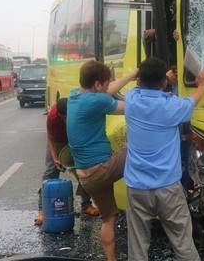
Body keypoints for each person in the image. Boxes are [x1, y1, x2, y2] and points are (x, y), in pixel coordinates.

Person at [124, 57, 204, 261]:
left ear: (138, 81)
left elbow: (141, 85)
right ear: (164, 83)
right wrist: (203, 83)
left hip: (137, 187)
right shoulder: (173, 107)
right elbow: (195, 98)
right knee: (182, 242)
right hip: (168, 188)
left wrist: (162, 80)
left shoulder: (131, 99)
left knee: (137, 247)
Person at [66, 62, 138, 261]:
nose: (109, 87)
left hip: (86, 177)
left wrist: (133, 74)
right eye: (106, 84)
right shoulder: (97, 102)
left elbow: (108, 91)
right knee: (137, 148)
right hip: (102, 170)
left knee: (108, 218)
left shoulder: (74, 95)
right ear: (97, 85)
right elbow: (133, 108)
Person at [33, 98, 99, 225]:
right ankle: (43, 210)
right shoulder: (52, 116)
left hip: (75, 140)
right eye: (62, 117)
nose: (65, 120)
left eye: (67, 117)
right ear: (58, 114)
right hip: (57, 141)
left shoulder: (79, 112)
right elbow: (50, 140)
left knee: (82, 170)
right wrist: (55, 158)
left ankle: (86, 205)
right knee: (50, 172)